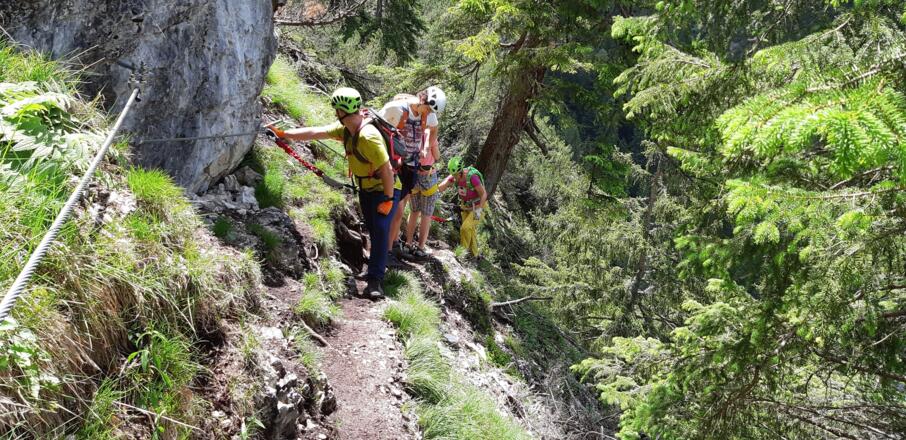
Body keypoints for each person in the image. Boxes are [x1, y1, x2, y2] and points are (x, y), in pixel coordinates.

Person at [267, 87, 400, 298]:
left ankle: (375, 282)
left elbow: (386, 170)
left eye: (336, 109)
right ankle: (372, 270)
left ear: (340, 110)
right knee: (374, 231)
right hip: (367, 189)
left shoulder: (368, 137)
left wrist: (389, 198)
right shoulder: (346, 130)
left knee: (381, 232)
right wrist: (284, 134)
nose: (335, 113)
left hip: (386, 190)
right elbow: (315, 132)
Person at [378, 86, 446, 260]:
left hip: (411, 167)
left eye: (432, 111)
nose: (429, 113)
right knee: (396, 210)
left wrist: (427, 146)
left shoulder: (428, 115)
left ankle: (391, 246)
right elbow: (376, 128)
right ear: (423, 100)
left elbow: (434, 130)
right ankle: (385, 250)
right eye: (428, 108)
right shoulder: (398, 108)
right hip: (395, 166)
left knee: (400, 210)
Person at [437, 157, 487, 259]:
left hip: (479, 206)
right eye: (453, 175)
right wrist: (448, 180)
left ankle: (461, 253)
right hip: (465, 206)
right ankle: (475, 254)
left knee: (466, 228)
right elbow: (440, 188)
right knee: (470, 229)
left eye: (456, 175)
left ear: (460, 172)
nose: (454, 178)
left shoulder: (472, 177)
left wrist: (478, 210)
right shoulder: (454, 176)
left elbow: (484, 194)